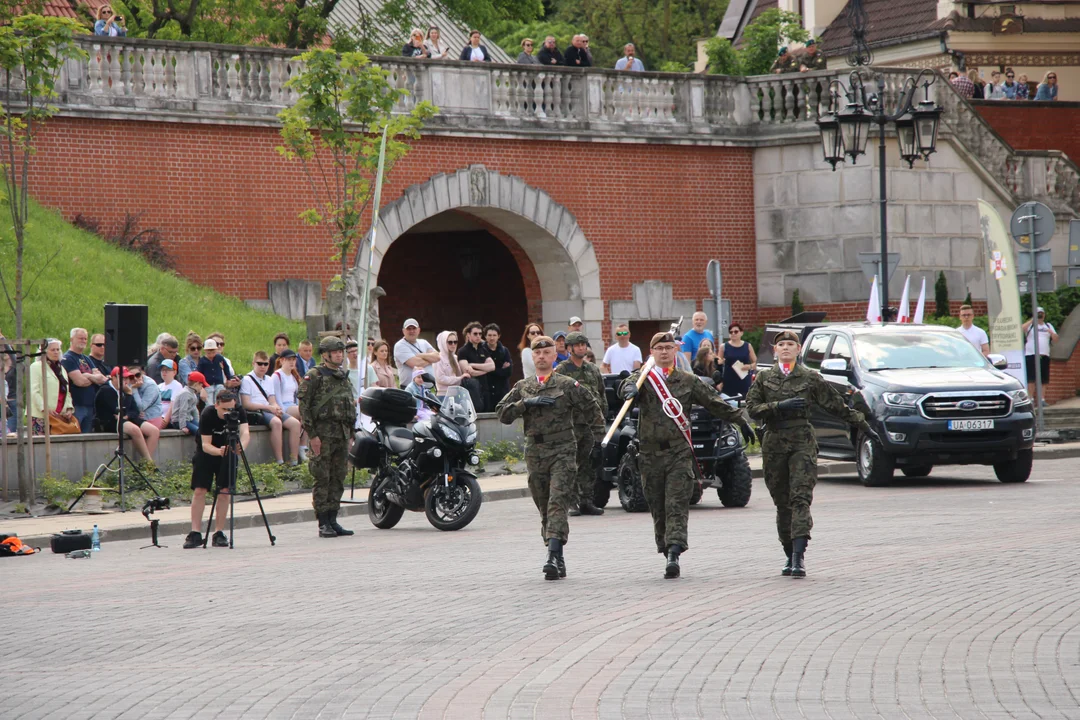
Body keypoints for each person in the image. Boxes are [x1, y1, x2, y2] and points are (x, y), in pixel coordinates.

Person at [745, 330, 878, 579]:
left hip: (801, 442)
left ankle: (799, 556)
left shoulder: (810, 377)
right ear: (775, 351)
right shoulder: (764, 378)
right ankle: (788, 553)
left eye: (790, 344)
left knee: (800, 498)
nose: (785, 348)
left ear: (798, 349)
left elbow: (836, 404)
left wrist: (865, 426)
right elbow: (752, 408)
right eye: (781, 344)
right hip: (774, 443)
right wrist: (778, 407)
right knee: (782, 502)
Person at [620, 332, 751, 579]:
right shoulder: (643, 379)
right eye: (660, 348)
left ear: (675, 351)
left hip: (679, 452)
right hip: (649, 454)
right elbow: (623, 389)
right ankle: (665, 545)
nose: (665, 352)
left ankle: (674, 552)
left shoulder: (688, 380)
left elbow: (714, 402)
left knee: (677, 502)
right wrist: (628, 388)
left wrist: (740, 419)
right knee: (658, 505)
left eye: (669, 347)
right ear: (652, 352)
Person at [497, 335, 605, 580]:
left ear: (555, 356)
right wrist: (525, 403)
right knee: (545, 505)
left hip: (563, 449)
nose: (542, 356)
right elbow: (502, 413)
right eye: (538, 353)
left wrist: (598, 442)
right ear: (533, 357)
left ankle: (553, 556)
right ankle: (557, 552)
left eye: (547, 352)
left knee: (558, 501)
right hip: (535, 453)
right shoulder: (523, 387)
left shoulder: (567, 384)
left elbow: (592, 408)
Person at [298, 336, 358, 538]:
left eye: (341, 351)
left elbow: (349, 405)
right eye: (336, 351)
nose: (340, 355)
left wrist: (350, 433)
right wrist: (312, 435)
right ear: (325, 354)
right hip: (322, 435)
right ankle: (323, 522)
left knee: (338, 477)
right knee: (323, 477)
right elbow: (304, 408)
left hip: (341, 435)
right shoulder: (314, 376)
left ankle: (333, 519)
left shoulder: (342, 376)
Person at [182, 390, 250, 549]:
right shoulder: (208, 414)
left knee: (225, 491)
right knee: (200, 489)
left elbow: (245, 432)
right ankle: (195, 532)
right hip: (207, 453)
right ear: (217, 405)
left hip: (229, 452)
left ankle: (219, 532)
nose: (228, 413)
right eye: (224, 410)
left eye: (231, 410)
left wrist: (241, 448)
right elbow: (205, 444)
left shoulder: (238, 410)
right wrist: (218, 451)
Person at [554, 331, 606, 517]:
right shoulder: (561, 370)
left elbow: (601, 394)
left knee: (589, 464)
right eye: (577, 345)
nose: (582, 347)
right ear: (569, 348)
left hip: (591, 425)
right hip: (571, 425)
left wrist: (603, 417)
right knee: (571, 464)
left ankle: (587, 501)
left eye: (584, 344)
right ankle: (572, 501)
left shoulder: (592, 369)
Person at [242, 350, 302, 464]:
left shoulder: (269, 379)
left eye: (266, 364)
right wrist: (269, 408)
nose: (263, 367)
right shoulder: (247, 379)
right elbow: (246, 404)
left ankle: (294, 461)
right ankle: (279, 461)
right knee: (276, 423)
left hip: (269, 409)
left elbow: (272, 400)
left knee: (295, 424)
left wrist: (276, 408)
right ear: (253, 363)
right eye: (259, 363)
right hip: (256, 411)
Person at [94, 366, 153, 460]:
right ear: (113, 378)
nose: (125, 381)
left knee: (153, 430)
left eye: (127, 378)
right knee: (135, 430)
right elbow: (119, 411)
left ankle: (145, 463)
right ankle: (149, 464)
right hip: (110, 421)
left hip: (125, 419)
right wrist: (129, 395)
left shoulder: (125, 389)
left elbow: (135, 410)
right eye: (122, 378)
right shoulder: (105, 390)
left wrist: (128, 415)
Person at [62, 327, 108, 433]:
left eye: (85, 339)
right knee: (74, 435)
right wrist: (91, 377)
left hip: (90, 406)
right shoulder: (68, 358)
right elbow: (80, 382)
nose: (83, 341)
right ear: (71, 339)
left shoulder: (86, 358)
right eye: (80, 338)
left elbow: (101, 379)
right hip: (76, 405)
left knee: (87, 436)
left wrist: (86, 375)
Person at [30, 339, 78, 435]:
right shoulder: (36, 367)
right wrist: (45, 408)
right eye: (52, 350)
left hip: (59, 417)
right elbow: (34, 391)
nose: (56, 352)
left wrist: (69, 408)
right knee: (40, 446)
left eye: (58, 349)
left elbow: (67, 392)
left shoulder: (62, 369)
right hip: (41, 416)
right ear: (44, 351)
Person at [272, 348, 308, 460]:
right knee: (305, 413)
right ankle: (295, 456)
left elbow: (297, 396)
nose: (292, 362)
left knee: (308, 414)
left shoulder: (293, 376)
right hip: (283, 407)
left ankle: (302, 446)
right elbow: (276, 397)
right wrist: (283, 412)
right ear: (282, 360)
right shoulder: (277, 376)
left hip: (293, 405)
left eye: (293, 359)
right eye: (289, 360)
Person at [458, 321, 495, 411]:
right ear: (468, 335)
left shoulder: (483, 349)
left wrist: (473, 365)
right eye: (475, 334)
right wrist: (485, 370)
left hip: (485, 388)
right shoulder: (463, 351)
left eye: (480, 334)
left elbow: (492, 366)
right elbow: (469, 372)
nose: (478, 336)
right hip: (472, 390)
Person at [394, 318, 440, 388]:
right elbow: (416, 363)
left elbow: (438, 357)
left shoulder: (424, 342)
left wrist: (421, 355)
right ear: (403, 331)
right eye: (409, 329)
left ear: (418, 330)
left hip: (427, 389)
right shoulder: (400, 345)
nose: (412, 331)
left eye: (414, 328)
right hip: (410, 389)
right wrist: (431, 359)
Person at [1023, 306, 1058, 399]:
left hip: (1044, 354)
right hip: (1031, 354)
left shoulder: (1048, 326)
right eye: (1038, 314)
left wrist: (1051, 333)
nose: (1040, 316)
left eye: (1041, 314)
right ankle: (1030, 398)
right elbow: (1022, 328)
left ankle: (1042, 398)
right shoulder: (1031, 325)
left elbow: (1056, 339)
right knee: (1031, 378)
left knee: (1044, 379)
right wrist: (1033, 320)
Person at [127, 367, 163, 456]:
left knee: (149, 432)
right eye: (132, 377)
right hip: (137, 417)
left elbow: (141, 407)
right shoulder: (127, 382)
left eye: (138, 375)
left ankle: (147, 464)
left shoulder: (150, 385)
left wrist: (133, 389)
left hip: (151, 417)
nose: (135, 379)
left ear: (142, 374)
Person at [718, 323, 757, 398]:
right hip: (729, 380)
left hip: (743, 379)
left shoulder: (747, 346)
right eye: (731, 332)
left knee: (744, 401)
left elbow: (755, 363)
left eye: (736, 331)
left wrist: (749, 366)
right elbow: (718, 364)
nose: (733, 333)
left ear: (741, 333)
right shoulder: (724, 347)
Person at [483, 323, 513, 407]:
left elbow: (508, 372)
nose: (492, 338)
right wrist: (500, 369)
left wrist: (489, 369)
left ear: (498, 336)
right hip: (486, 390)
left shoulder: (504, 351)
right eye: (489, 335)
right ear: (485, 336)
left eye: (494, 335)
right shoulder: (481, 350)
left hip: (502, 390)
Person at [434, 330, 470, 398]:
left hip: (456, 394)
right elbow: (441, 378)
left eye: (455, 342)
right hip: (443, 395)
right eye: (450, 342)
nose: (453, 344)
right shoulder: (438, 358)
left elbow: (459, 374)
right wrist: (459, 378)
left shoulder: (455, 357)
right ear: (443, 343)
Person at [171, 371, 208, 435]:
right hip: (179, 421)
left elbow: (194, 410)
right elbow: (183, 410)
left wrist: (198, 422)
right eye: (201, 385)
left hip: (188, 419)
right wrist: (183, 426)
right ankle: (201, 444)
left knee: (205, 430)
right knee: (198, 432)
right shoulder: (185, 393)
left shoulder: (193, 394)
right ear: (196, 384)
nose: (202, 388)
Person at [198, 338, 233, 403]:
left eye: (213, 350)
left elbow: (226, 367)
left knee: (219, 400)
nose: (211, 352)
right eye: (209, 350)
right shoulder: (202, 361)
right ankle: (210, 411)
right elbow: (199, 373)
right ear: (205, 350)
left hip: (219, 382)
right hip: (207, 384)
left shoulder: (219, 358)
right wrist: (201, 386)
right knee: (209, 402)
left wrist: (228, 378)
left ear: (216, 349)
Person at [157, 359, 184, 428]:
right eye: (162, 370)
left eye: (167, 370)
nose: (164, 372)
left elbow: (173, 405)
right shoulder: (159, 386)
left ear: (174, 372)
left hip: (170, 419)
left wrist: (165, 420)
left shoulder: (177, 385)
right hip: (158, 417)